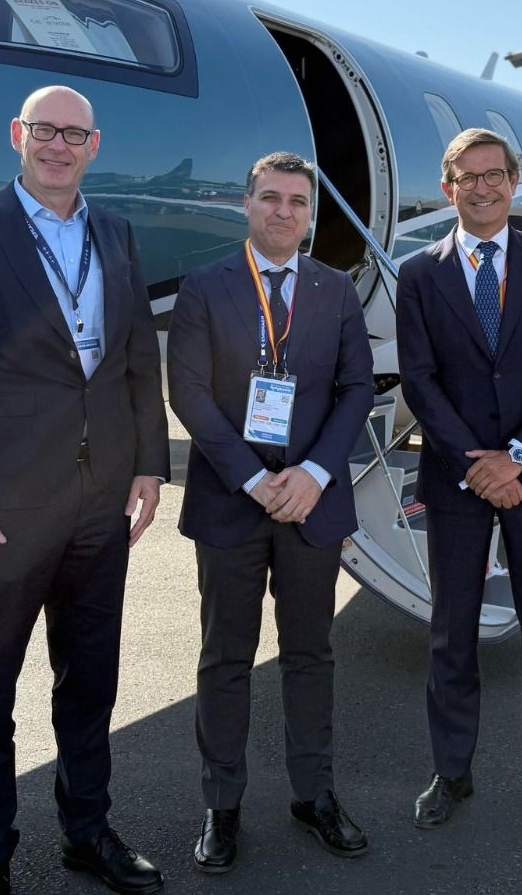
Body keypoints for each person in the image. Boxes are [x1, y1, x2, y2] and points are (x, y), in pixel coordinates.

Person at [0, 85, 170, 895]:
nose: (59, 145)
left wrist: (150, 465)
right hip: (6, 505)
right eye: (45, 131)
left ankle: (85, 833)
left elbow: (135, 357)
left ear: (96, 146)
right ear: (18, 135)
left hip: (101, 502)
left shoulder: (117, 234)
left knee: (90, 682)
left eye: (76, 134)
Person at [167, 151, 375, 872]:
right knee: (226, 657)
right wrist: (256, 481)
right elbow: (188, 393)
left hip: (312, 505)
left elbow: (356, 390)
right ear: (245, 204)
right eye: (270, 198)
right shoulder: (205, 288)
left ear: (310, 214)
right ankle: (221, 805)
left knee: (310, 653)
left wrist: (314, 473)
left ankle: (313, 794)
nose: (283, 211)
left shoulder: (336, 290)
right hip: (234, 502)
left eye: (297, 201)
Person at [395, 127, 522, 833]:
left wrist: (518, 456)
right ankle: (452, 773)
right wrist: (480, 464)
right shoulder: (419, 274)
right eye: (466, 177)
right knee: (451, 633)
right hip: (457, 479)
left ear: (514, 182)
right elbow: (418, 379)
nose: (482, 187)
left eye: (494, 175)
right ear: (448, 188)